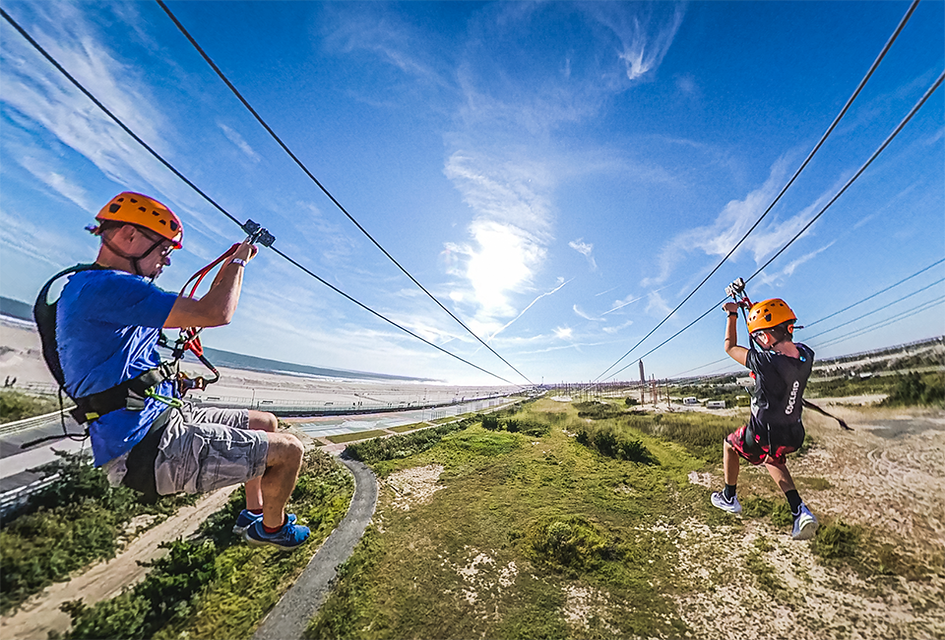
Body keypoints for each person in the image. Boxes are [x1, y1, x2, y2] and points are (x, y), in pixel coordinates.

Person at [52, 191, 310, 549]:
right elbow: (216, 313)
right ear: (129, 236)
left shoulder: (99, 287)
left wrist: (233, 262)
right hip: (144, 448)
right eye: (163, 250)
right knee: (289, 452)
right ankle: (271, 529)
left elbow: (202, 308)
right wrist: (238, 263)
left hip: (159, 417)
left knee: (263, 423)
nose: (166, 262)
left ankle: (254, 512)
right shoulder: (110, 287)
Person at [710, 297, 819, 541]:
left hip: (764, 434)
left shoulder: (765, 362)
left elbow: (730, 347)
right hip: (793, 434)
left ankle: (729, 497)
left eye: (759, 337)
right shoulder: (805, 355)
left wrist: (732, 314)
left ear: (766, 338)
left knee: (729, 444)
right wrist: (753, 311)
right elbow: (774, 349)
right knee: (774, 461)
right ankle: (799, 511)